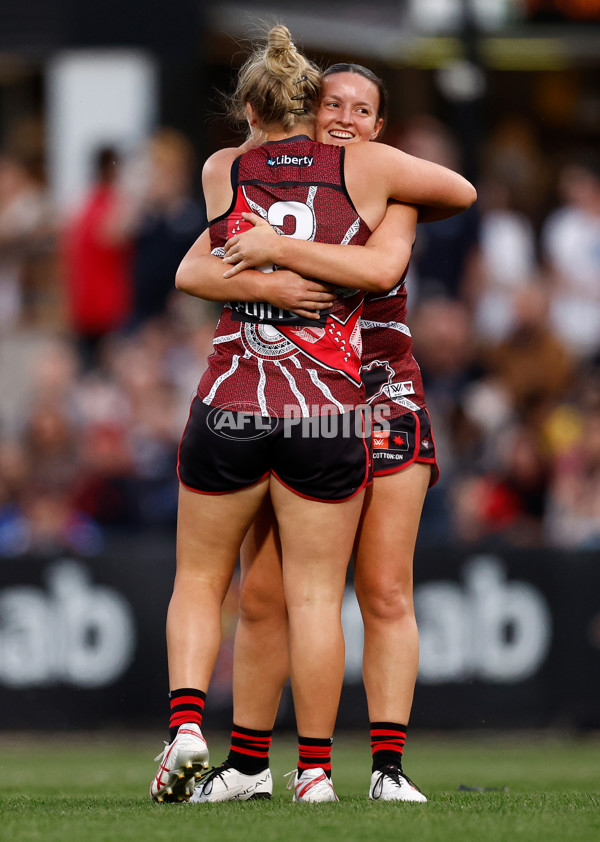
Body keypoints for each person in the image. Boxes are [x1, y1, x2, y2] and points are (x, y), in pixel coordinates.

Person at [151, 25, 476, 805]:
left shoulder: (375, 176)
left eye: (363, 109)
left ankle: (381, 769)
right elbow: (199, 264)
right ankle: (260, 764)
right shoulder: (315, 173)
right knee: (271, 596)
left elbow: (385, 265)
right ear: (306, 105)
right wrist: (267, 273)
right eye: (333, 102)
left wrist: (274, 254)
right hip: (324, 404)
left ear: (379, 126)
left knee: (383, 589)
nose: (345, 117)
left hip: (378, 394)